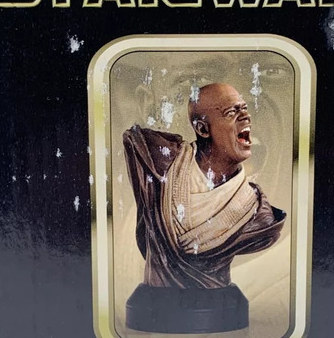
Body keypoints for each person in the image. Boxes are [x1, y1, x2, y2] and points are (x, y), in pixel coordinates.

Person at [122, 83, 286, 291]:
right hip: (157, 297)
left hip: (217, 298)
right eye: (231, 112)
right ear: (202, 129)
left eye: (245, 109)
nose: (246, 116)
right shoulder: (159, 159)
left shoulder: (260, 215)